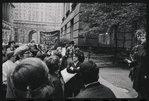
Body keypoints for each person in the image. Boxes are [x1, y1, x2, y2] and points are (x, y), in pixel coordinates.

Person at [129, 31, 147, 98]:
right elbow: (135, 57)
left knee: (143, 85)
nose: (139, 39)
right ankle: (139, 95)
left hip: (144, 70)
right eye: (138, 36)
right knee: (137, 83)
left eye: (142, 38)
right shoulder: (138, 47)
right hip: (138, 68)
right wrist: (132, 64)